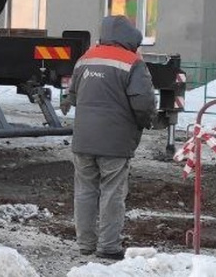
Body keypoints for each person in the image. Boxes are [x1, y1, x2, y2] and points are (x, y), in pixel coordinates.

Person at [60, 15, 156, 260]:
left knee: (84, 191)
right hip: (115, 142)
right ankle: (108, 247)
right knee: (112, 193)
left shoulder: (86, 58)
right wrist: (146, 122)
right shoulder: (133, 62)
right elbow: (143, 103)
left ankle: (85, 244)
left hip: (83, 140)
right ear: (130, 38)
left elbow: (71, 95)